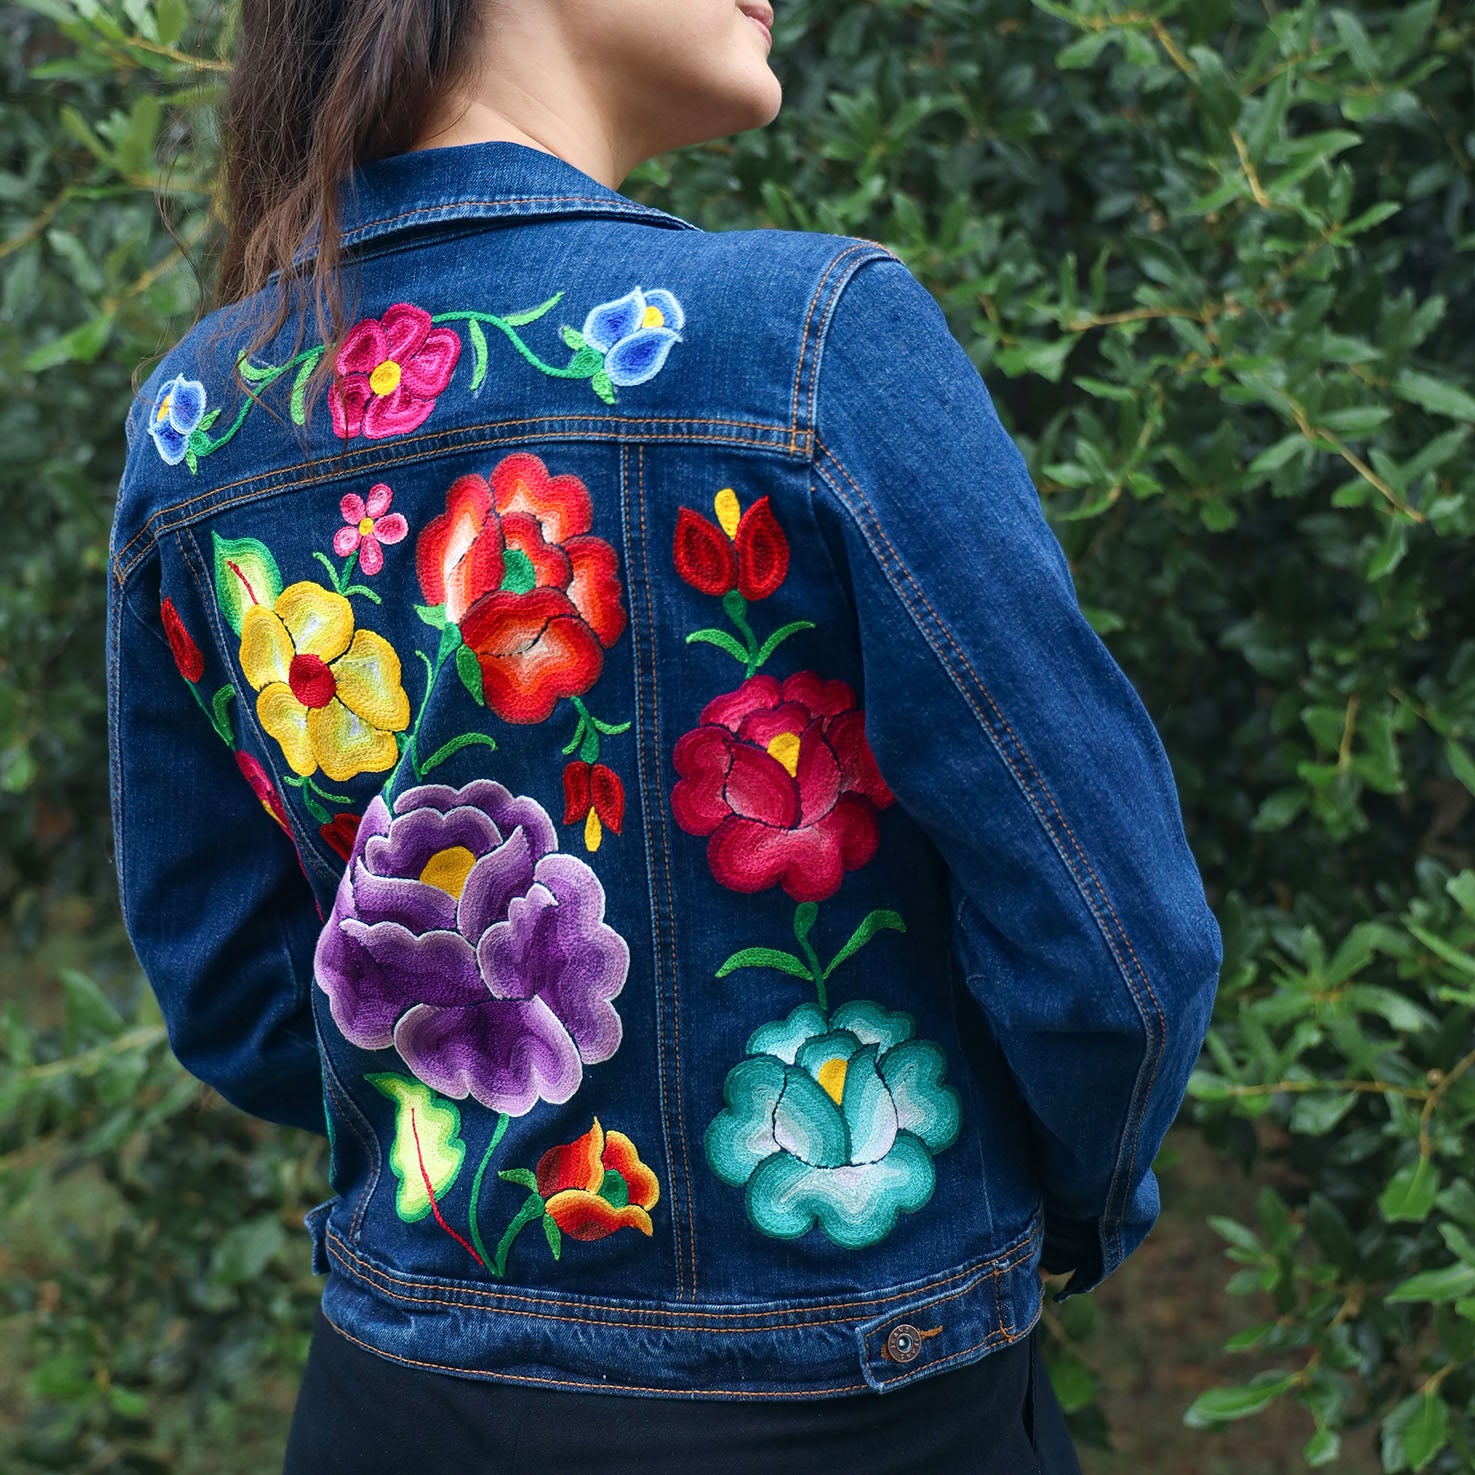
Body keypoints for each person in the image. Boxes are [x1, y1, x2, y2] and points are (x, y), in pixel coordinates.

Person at [105, 0, 1224, 1471]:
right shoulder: (805, 346)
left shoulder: (198, 422)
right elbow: (1116, 951)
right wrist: (1025, 1212)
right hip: (855, 1407)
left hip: (403, 1399)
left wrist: (455, 1174)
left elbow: (235, 990)